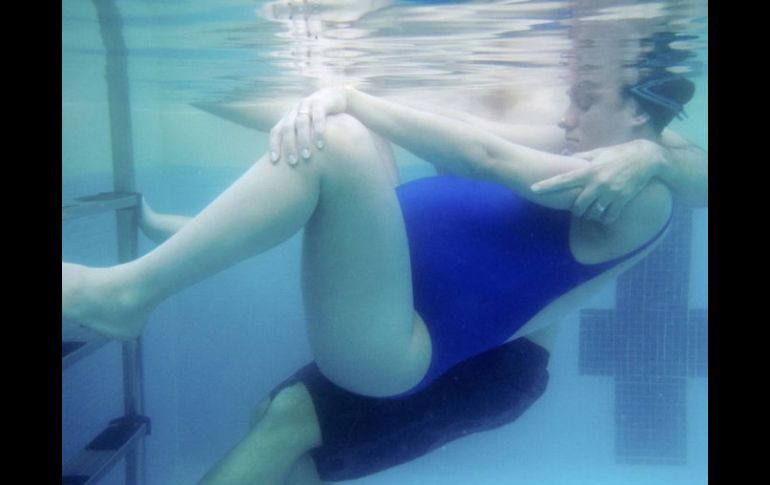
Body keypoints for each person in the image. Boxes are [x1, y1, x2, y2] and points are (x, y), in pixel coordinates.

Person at [62, 10, 707, 484]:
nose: (567, 114)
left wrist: (348, 98)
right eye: (571, 96)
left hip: (396, 349)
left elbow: (482, 155)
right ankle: (175, 252)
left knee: (344, 141)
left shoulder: (633, 193)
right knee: (353, 139)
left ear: (637, 114)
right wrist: (219, 93)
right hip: (399, 303)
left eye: (586, 99)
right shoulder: (586, 144)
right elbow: (444, 129)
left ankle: (127, 293)